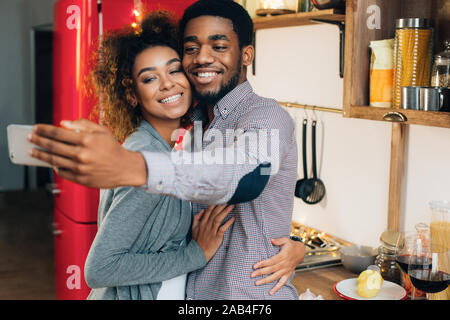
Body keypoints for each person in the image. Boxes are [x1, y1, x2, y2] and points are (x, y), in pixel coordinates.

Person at [29, 0, 306, 299]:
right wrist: (195, 253)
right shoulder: (190, 129)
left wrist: (133, 167)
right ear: (132, 91)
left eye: (219, 46)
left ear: (247, 54)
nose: (202, 58)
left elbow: (246, 172)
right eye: (190, 48)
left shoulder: (266, 117)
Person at [82, 11, 235, 300]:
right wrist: (196, 254)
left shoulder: (164, 149)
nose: (167, 84)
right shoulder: (147, 157)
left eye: (174, 70)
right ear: (131, 94)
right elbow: (100, 268)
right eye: (150, 78)